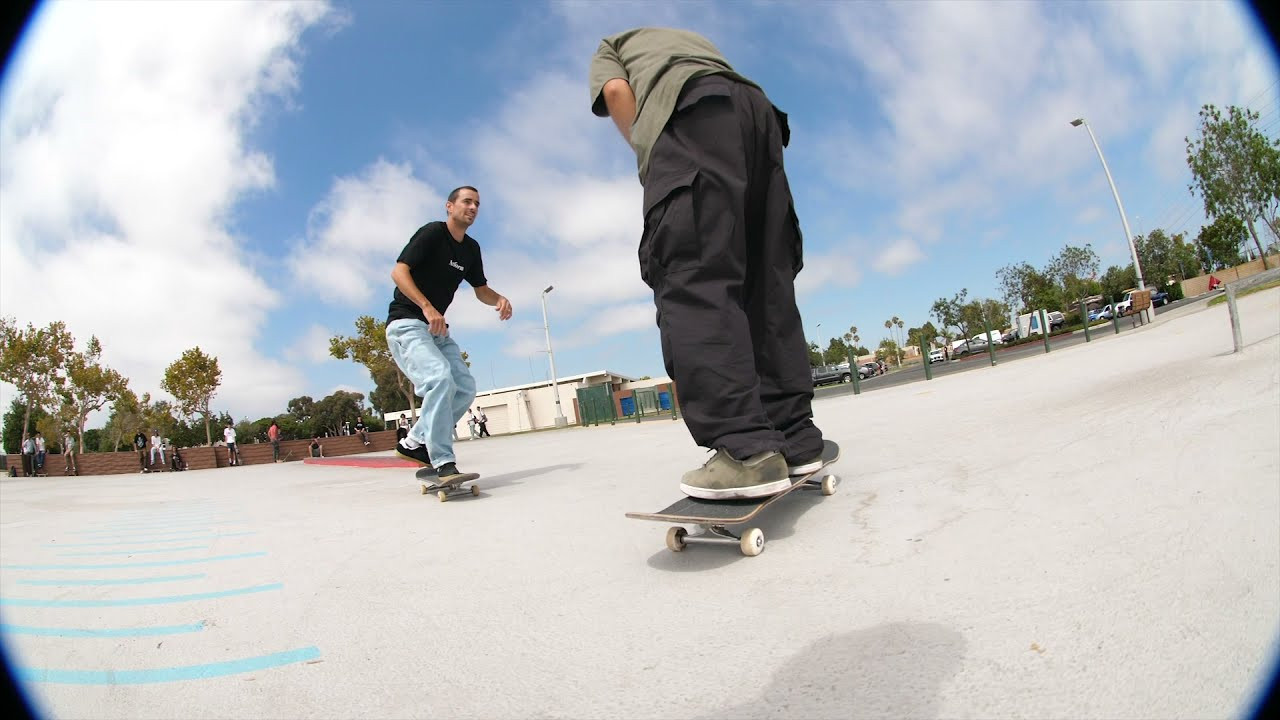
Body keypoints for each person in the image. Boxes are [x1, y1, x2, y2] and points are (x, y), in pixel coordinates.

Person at [590, 28, 826, 500]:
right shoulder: (690, 41)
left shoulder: (610, 46)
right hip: (757, 114)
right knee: (767, 280)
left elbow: (616, 90)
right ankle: (794, 436)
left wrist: (651, 155)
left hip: (691, 115)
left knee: (695, 276)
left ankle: (746, 450)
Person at [384, 185, 512, 482]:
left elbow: (481, 290)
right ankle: (443, 461)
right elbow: (399, 272)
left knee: (464, 387)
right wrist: (427, 306)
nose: (473, 208)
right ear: (449, 206)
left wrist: (499, 299)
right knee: (439, 378)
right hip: (406, 323)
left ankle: (413, 442)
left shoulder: (471, 249)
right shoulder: (432, 233)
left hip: (436, 330)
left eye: (477, 204)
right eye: (467, 202)